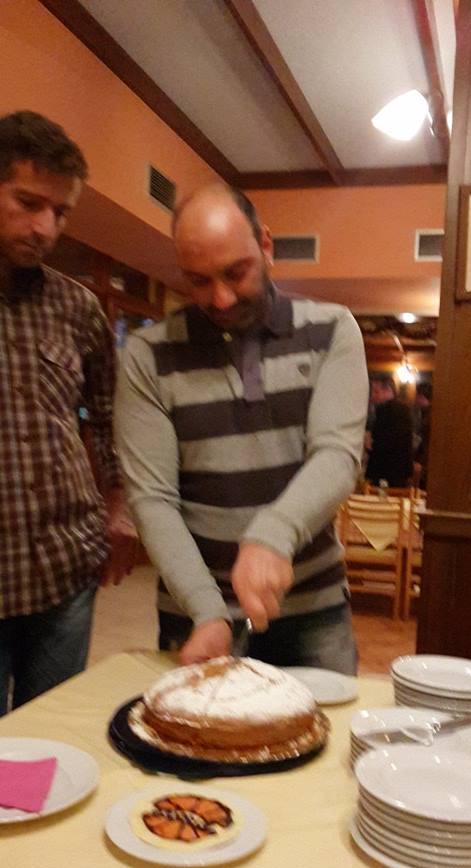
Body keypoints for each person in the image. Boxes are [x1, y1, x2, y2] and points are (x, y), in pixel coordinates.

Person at [115, 183, 369, 674]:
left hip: (314, 608)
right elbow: (152, 500)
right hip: (196, 613)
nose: (222, 297)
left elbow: (337, 456)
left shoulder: (333, 329)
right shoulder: (148, 355)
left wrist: (273, 534)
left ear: (266, 245)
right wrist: (206, 609)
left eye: (236, 273)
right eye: (199, 281)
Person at [0, 111, 138, 715]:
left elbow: (109, 417)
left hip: (64, 568)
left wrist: (120, 510)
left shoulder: (78, 307)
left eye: (60, 212)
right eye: (28, 203)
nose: (45, 227)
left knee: (51, 740)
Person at [365, 374, 413, 488]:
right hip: (398, 470)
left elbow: (387, 442)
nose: (372, 396)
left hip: (387, 470)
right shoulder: (402, 409)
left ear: (388, 390)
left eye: (376, 392)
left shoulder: (388, 410)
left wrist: (369, 443)